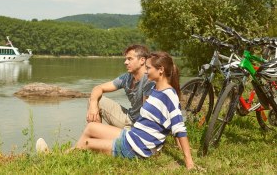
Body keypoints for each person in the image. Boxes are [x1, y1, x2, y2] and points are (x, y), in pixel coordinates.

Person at [58, 51, 193, 169]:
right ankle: (64, 155)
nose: (146, 71)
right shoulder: (154, 90)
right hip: (133, 136)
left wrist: (189, 163)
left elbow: (179, 128)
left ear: (161, 70)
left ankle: (58, 158)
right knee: (91, 128)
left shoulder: (169, 96)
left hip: (138, 148)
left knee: (87, 143)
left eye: (148, 68)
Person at [86, 44, 154, 128]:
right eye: (126, 59)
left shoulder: (150, 80)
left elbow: (148, 114)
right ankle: (96, 134)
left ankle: (98, 134)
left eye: (130, 59)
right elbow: (98, 88)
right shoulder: (126, 77)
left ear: (142, 60)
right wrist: (93, 105)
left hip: (141, 125)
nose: (125, 62)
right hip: (129, 118)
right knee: (95, 100)